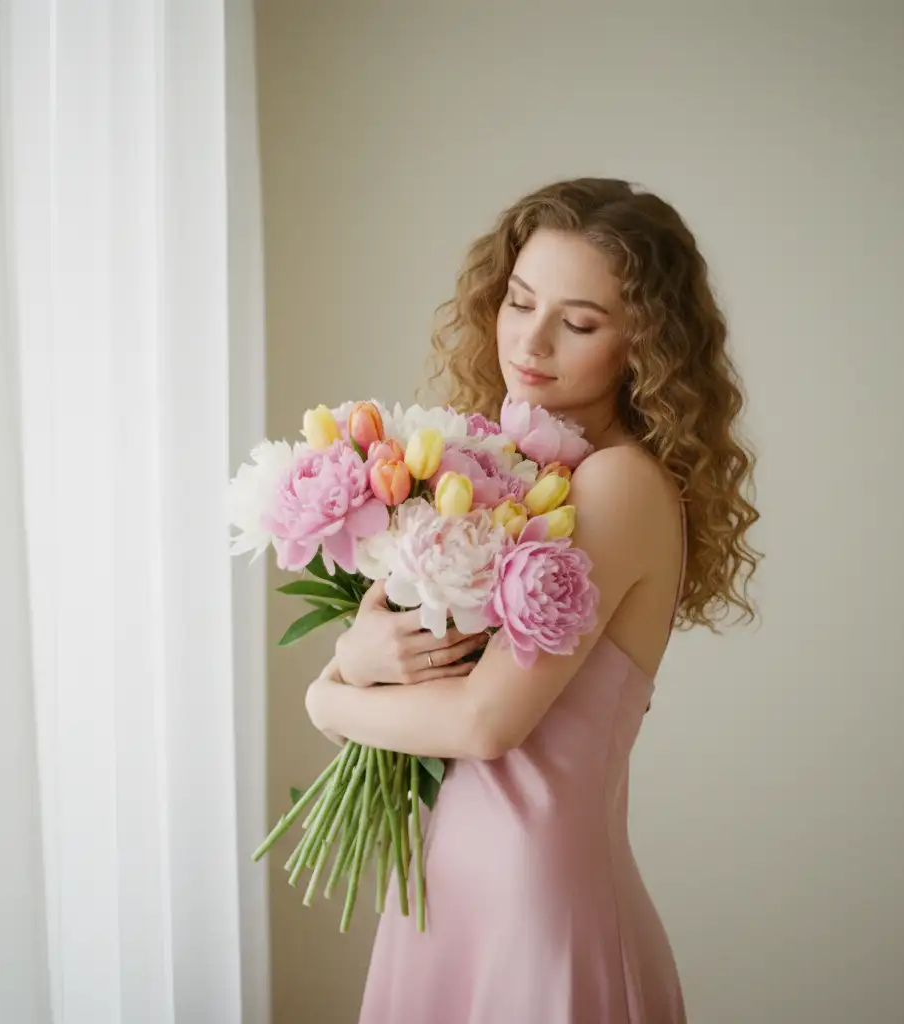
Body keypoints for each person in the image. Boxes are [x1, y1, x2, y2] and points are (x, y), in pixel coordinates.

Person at [304, 177, 760, 1023]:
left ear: (644, 345)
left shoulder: (616, 485)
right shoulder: (515, 471)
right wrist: (362, 658)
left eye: (579, 323)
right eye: (519, 302)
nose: (532, 340)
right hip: (451, 886)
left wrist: (327, 695)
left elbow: (485, 724)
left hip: (535, 899)